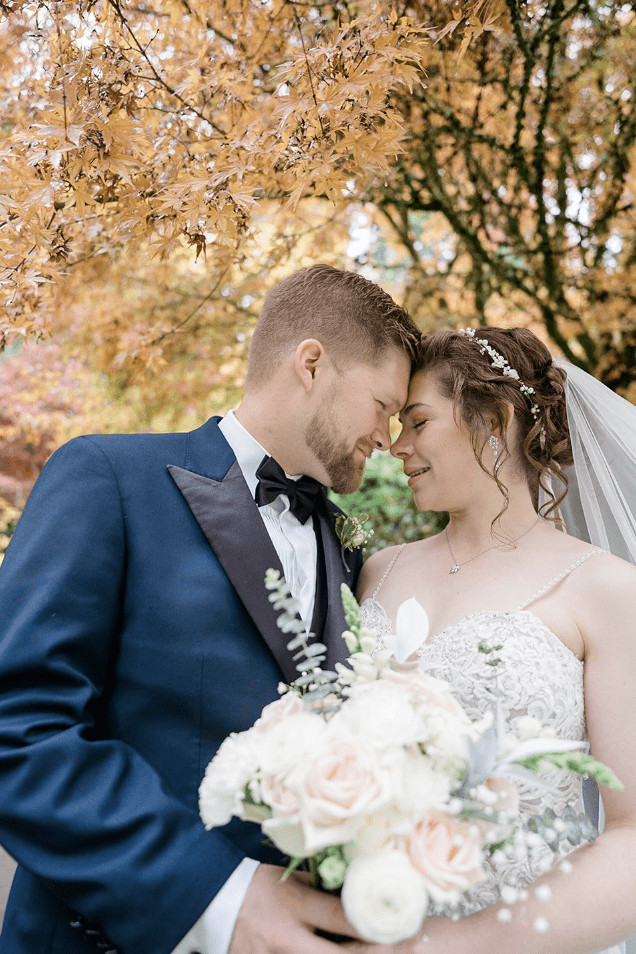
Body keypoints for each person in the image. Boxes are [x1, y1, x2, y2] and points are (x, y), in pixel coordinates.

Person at [0, 264, 420, 954]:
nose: (389, 435)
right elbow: (19, 727)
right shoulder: (108, 478)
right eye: (384, 404)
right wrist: (215, 895)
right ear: (311, 365)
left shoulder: (351, 554)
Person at [356, 327, 636, 954]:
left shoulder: (607, 590)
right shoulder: (378, 571)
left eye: (418, 422)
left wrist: (457, 945)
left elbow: (632, 839)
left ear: (496, 419)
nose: (395, 448)